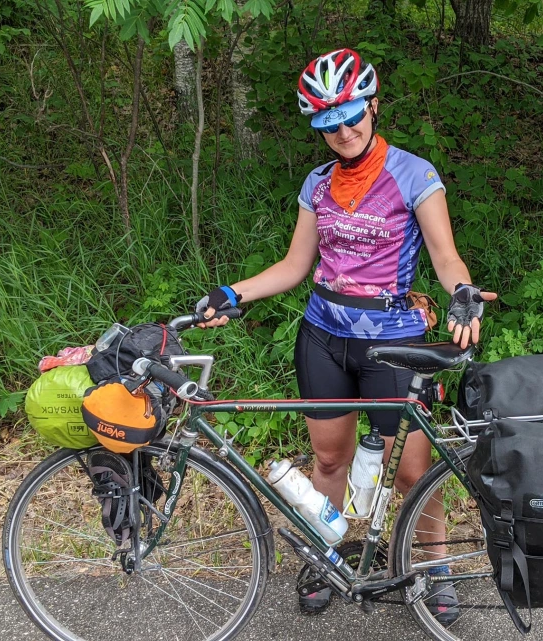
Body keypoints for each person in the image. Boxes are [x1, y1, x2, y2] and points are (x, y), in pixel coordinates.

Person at [195, 48, 495, 620]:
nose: (343, 130)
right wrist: (233, 293)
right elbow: (294, 266)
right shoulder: (317, 182)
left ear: (373, 106)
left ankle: (433, 567)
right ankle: (324, 555)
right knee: (329, 461)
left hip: (394, 340)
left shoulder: (414, 174)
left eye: (352, 114)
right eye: (328, 122)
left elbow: (445, 256)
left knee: (410, 469)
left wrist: (462, 293)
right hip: (324, 335)